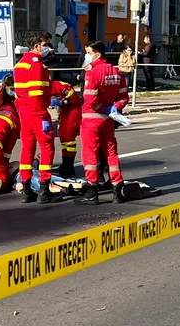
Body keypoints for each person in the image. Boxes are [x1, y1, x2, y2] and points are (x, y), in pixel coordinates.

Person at [78, 40, 129, 204]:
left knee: (90, 154)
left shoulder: (92, 72)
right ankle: (117, 190)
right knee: (111, 153)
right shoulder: (116, 72)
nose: (87, 56)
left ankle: (92, 192)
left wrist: (102, 108)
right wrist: (113, 108)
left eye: (89, 53)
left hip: (91, 119)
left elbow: (90, 99)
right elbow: (124, 97)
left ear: (97, 54)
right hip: (107, 120)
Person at [13, 32, 60, 203]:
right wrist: (42, 116)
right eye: (45, 44)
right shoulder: (36, 64)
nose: (48, 48)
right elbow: (36, 93)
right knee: (47, 147)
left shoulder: (20, 64)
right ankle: (44, 190)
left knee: (27, 148)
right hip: (36, 111)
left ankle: (27, 189)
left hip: (24, 111)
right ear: (37, 46)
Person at [51, 77, 82, 179]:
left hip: (72, 112)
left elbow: (73, 98)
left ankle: (69, 166)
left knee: (68, 139)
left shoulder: (60, 85)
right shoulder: (46, 87)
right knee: (63, 138)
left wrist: (62, 101)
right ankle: (65, 164)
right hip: (64, 113)